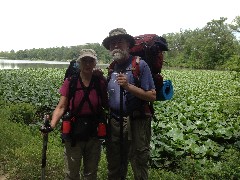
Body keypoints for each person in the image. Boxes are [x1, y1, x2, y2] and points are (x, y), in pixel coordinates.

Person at [41, 49, 108, 180]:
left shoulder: (100, 82)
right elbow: (61, 107)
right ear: (79, 63)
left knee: (91, 173)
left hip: (94, 133)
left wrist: (104, 77)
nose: (87, 64)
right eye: (84, 61)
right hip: (74, 134)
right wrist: (51, 125)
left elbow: (106, 104)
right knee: (72, 173)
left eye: (91, 61)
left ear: (95, 63)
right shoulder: (71, 82)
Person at [102, 28, 156, 180]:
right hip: (114, 122)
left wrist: (128, 87)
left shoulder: (140, 64)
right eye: (112, 43)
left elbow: (152, 95)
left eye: (120, 42)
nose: (116, 46)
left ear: (128, 45)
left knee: (139, 163)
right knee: (114, 163)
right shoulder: (112, 68)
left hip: (136, 121)